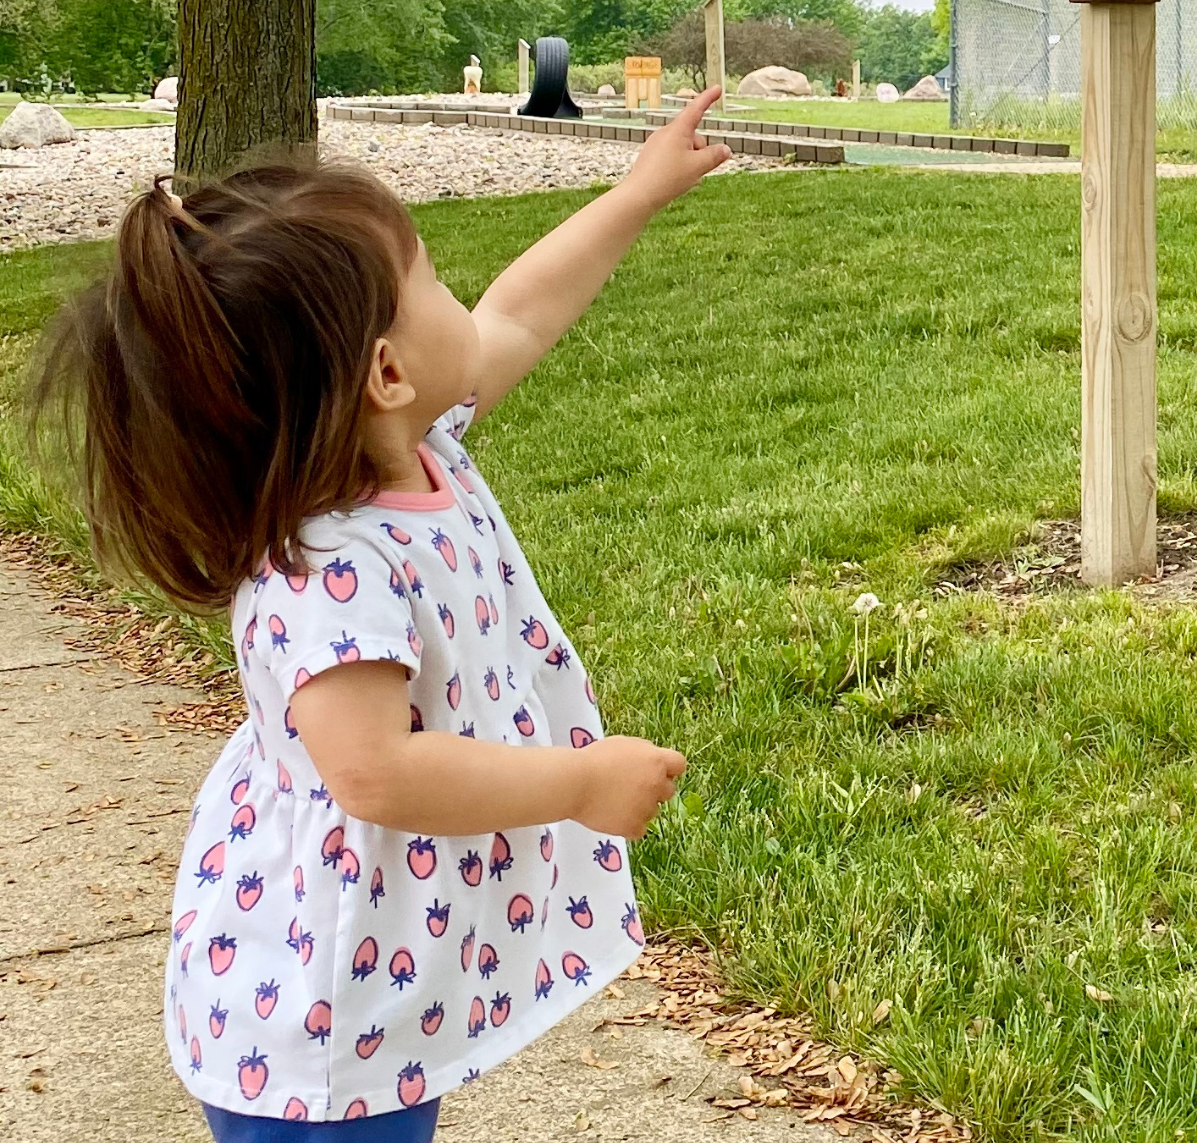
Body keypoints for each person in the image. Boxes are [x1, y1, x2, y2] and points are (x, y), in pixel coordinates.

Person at [27, 92, 734, 1139]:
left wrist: (636, 192)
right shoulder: (331, 568)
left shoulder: (415, 446)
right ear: (386, 373)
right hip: (317, 1000)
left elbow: (523, 312)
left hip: (381, 968)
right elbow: (376, 770)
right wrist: (579, 781)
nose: (463, 299)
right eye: (433, 279)